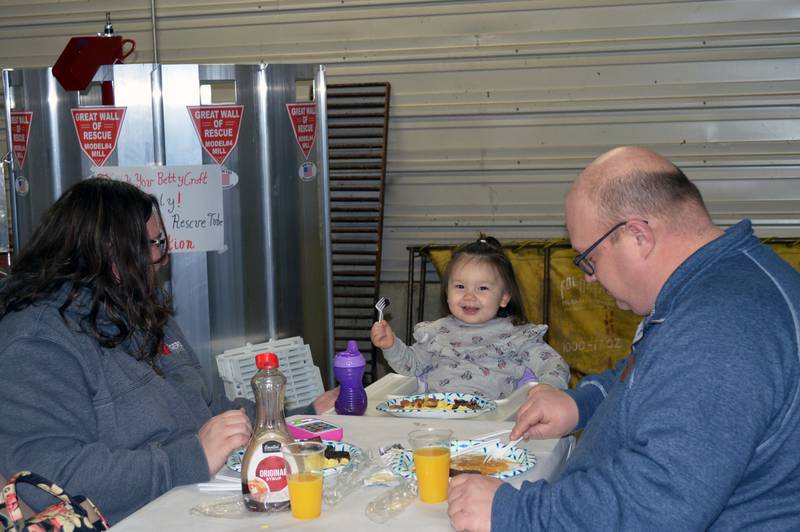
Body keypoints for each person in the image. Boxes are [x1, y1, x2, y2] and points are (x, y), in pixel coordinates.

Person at [447, 146, 800, 530]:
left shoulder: (723, 325)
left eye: (589, 259)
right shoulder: (713, 285)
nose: (589, 277)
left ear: (637, 236)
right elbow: (650, 372)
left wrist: (513, 514)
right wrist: (580, 404)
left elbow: (657, 504)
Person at [0, 178, 338, 524]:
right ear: (110, 253)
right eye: (156, 243)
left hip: (192, 500)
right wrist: (190, 458)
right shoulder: (36, 343)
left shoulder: (137, 308)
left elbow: (208, 409)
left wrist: (294, 421)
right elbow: (48, 481)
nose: (163, 258)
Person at [371, 236, 569, 400]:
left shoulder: (518, 335)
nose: (469, 296)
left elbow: (553, 364)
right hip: (435, 418)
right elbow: (411, 367)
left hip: (493, 425)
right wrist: (390, 346)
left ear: (504, 297)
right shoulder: (436, 333)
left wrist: (548, 388)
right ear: (447, 292)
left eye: (482, 288)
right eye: (459, 287)